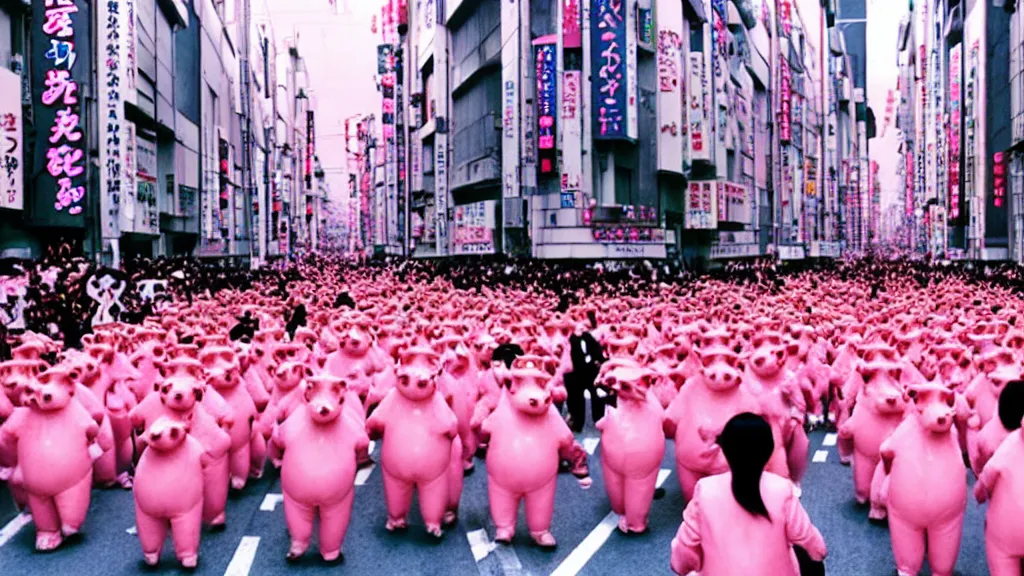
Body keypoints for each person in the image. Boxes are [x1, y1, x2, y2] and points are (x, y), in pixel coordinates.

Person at [670, 413, 827, 576]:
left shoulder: (705, 490)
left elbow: (685, 548)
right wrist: (818, 554)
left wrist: (684, 567)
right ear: (768, 450)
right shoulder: (781, 489)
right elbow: (807, 539)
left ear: (725, 449)